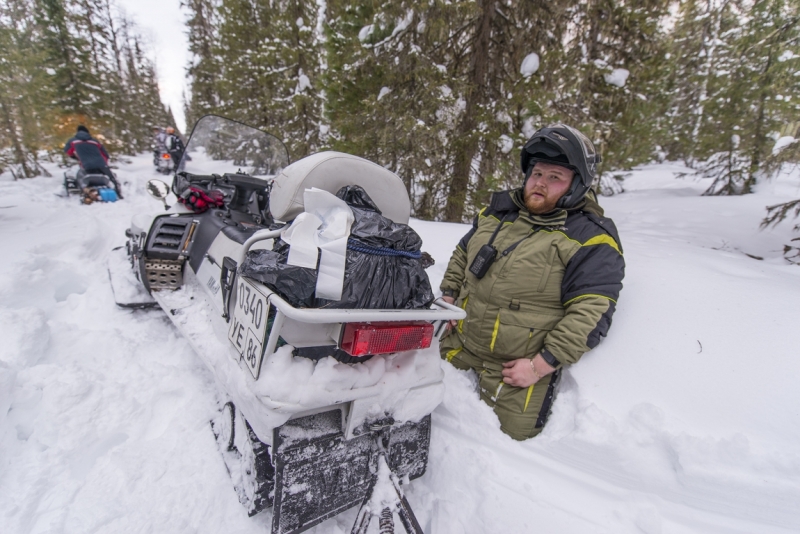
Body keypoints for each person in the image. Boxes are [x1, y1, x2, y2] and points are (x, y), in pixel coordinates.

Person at [439, 124, 625, 440]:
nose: (540, 183)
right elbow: (462, 254)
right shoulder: (497, 214)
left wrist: (540, 365)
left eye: (555, 178)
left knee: (499, 456)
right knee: (432, 425)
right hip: (457, 349)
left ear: (576, 186)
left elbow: (589, 315)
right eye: (537, 174)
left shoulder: (591, 240)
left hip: (515, 374)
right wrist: (448, 296)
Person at [64, 125, 123, 199]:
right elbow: (105, 154)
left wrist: (75, 157)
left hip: (86, 165)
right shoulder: (95, 141)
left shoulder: (73, 141)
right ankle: (118, 194)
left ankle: (87, 193)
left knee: (82, 178)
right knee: (112, 178)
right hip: (101, 164)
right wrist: (104, 164)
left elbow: (68, 151)